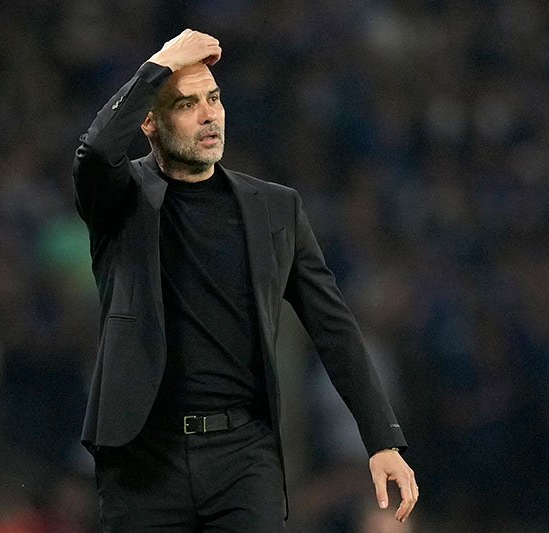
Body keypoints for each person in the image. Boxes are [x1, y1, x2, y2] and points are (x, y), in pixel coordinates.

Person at [72, 29, 418, 531]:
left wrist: (382, 439)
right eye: (186, 104)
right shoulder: (119, 199)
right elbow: (96, 151)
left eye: (213, 99)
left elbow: (334, 327)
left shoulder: (276, 209)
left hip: (242, 457)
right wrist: (160, 64)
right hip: (144, 460)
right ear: (149, 121)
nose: (208, 115)